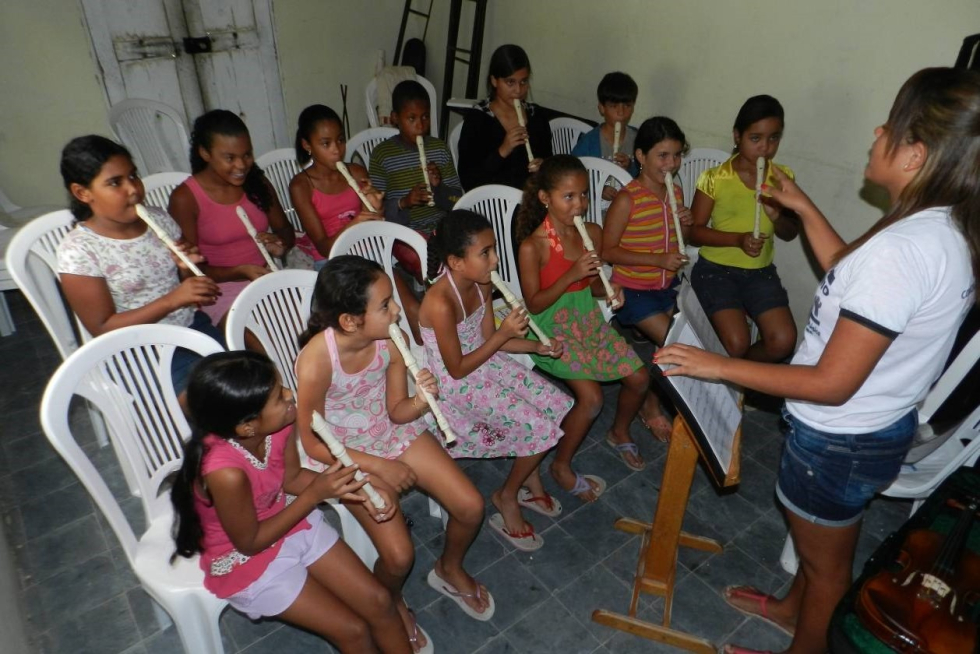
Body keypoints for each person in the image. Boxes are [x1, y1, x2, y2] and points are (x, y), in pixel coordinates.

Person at [656, 67, 980, 654]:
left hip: (840, 438)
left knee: (828, 567)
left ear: (916, 154)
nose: (878, 130)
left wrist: (718, 367)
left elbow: (830, 383)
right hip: (872, 427)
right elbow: (845, 275)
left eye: (893, 125)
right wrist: (802, 205)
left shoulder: (905, 252)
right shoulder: (936, 225)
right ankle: (787, 610)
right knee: (816, 551)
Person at [295, 256, 495, 653]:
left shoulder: (389, 340)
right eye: (386, 305)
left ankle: (449, 568)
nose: (398, 310)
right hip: (343, 454)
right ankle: (389, 602)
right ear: (351, 320)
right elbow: (312, 441)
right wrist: (378, 467)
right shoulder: (317, 361)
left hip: (390, 432)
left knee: (471, 505)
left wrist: (421, 401)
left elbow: (395, 411)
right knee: (399, 556)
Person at [169, 351, 411, 653]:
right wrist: (314, 496)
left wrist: (363, 489)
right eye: (278, 397)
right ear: (247, 426)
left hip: (288, 519)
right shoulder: (225, 473)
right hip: (246, 558)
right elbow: (250, 542)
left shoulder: (279, 424)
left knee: (380, 602)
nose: (289, 395)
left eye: (282, 386)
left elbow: (292, 479)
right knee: (353, 631)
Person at [419, 210, 571, 550]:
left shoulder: (482, 283)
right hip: (456, 385)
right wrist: (503, 336)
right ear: (456, 262)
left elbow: (490, 337)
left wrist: (538, 346)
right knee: (541, 429)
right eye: (485, 252)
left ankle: (528, 475)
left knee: (555, 403)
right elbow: (456, 368)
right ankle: (506, 495)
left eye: (494, 249)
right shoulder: (440, 302)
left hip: (487, 363)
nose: (495, 259)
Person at [516, 155, 650, 495]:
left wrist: (609, 291)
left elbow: (589, 285)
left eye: (584, 194)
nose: (580, 204)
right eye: (569, 196)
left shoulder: (592, 231)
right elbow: (535, 303)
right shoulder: (533, 246)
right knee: (591, 399)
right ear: (545, 198)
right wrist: (571, 273)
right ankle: (561, 465)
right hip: (550, 325)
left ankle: (619, 431)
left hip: (585, 315)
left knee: (639, 377)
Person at [56, 135, 223, 391]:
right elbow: (103, 327)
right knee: (216, 396)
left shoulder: (159, 220)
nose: (133, 189)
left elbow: (186, 289)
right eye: (115, 183)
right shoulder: (78, 251)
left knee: (250, 377)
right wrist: (173, 299)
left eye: (133, 176)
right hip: (139, 350)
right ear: (82, 192)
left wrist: (186, 270)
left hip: (190, 325)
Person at [688, 95, 800, 362]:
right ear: (737, 136)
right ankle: (735, 372)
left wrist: (777, 215)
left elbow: (790, 232)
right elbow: (692, 232)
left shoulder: (783, 178)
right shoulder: (715, 178)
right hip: (716, 270)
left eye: (773, 138)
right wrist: (738, 239)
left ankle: (738, 377)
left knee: (783, 341)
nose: (765, 148)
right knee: (736, 344)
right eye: (755, 138)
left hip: (760, 272)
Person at [602, 117, 693, 442]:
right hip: (634, 291)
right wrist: (657, 260)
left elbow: (679, 239)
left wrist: (687, 223)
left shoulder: (676, 192)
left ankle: (651, 402)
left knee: (685, 339)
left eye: (677, 155)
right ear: (640, 156)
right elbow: (608, 250)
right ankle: (650, 409)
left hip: (667, 286)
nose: (671, 164)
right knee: (674, 343)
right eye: (663, 156)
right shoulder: (628, 199)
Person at [168, 109, 295, 328]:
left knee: (310, 326)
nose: (241, 165)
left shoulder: (257, 183)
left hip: (266, 278)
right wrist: (238, 271)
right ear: (205, 154)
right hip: (219, 290)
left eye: (247, 155)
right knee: (265, 337)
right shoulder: (185, 198)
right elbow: (189, 272)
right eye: (230, 158)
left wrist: (280, 245)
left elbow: (285, 229)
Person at [368, 80, 461, 343]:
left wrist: (439, 187)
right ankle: (438, 315)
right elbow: (375, 209)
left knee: (470, 247)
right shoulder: (382, 155)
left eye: (424, 117)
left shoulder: (439, 149)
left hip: (441, 223)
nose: (419, 125)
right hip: (404, 231)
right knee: (428, 256)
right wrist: (405, 202)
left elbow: (457, 199)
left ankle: (463, 308)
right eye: (411, 118)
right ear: (396, 118)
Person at [289, 104, 383, 271]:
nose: (336, 150)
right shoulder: (301, 186)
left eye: (340, 140)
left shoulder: (357, 171)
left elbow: (375, 224)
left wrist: (376, 206)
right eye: (326, 144)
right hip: (331, 261)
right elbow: (323, 248)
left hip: (367, 250)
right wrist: (354, 223)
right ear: (307, 145)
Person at [457, 44, 553, 191]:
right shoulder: (478, 120)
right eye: (510, 82)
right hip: (493, 204)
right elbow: (469, 180)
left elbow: (550, 162)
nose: (518, 91)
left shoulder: (536, 116)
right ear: (494, 81)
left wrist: (544, 167)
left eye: (524, 82)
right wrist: (503, 150)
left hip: (531, 200)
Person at [571, 71, 641, 181]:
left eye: (627, 105)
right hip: (596, 197)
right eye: (613, 106)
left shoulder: (638, 138)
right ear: (602, 108)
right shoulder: (589, 141)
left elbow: (643, 174)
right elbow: (572, 171)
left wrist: (630, 167)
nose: (621, 112)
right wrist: (598, 188)